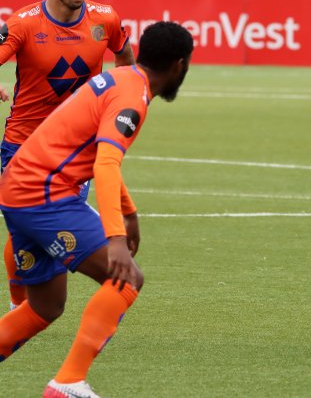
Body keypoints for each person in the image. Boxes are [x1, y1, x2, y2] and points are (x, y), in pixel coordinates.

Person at [0, 21, 193, 398]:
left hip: (17, 190)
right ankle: (68, 382)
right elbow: (105, 163)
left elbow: (94, 153)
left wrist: (130, 211)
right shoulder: (131, 98)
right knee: (127, 278)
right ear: (179, 65)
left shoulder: (122, 78)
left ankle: (67, 381)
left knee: (45, 306)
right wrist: (116, 237)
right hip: (43, 194)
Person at [0, 0, 135, 312]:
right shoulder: (23, 24)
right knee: (26, 227)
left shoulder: (104, 18)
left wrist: (115, 99)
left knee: (50, 228)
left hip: (76, 148)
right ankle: (19, 304)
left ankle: (37, 304)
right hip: (22, 147)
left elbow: (124, 57)